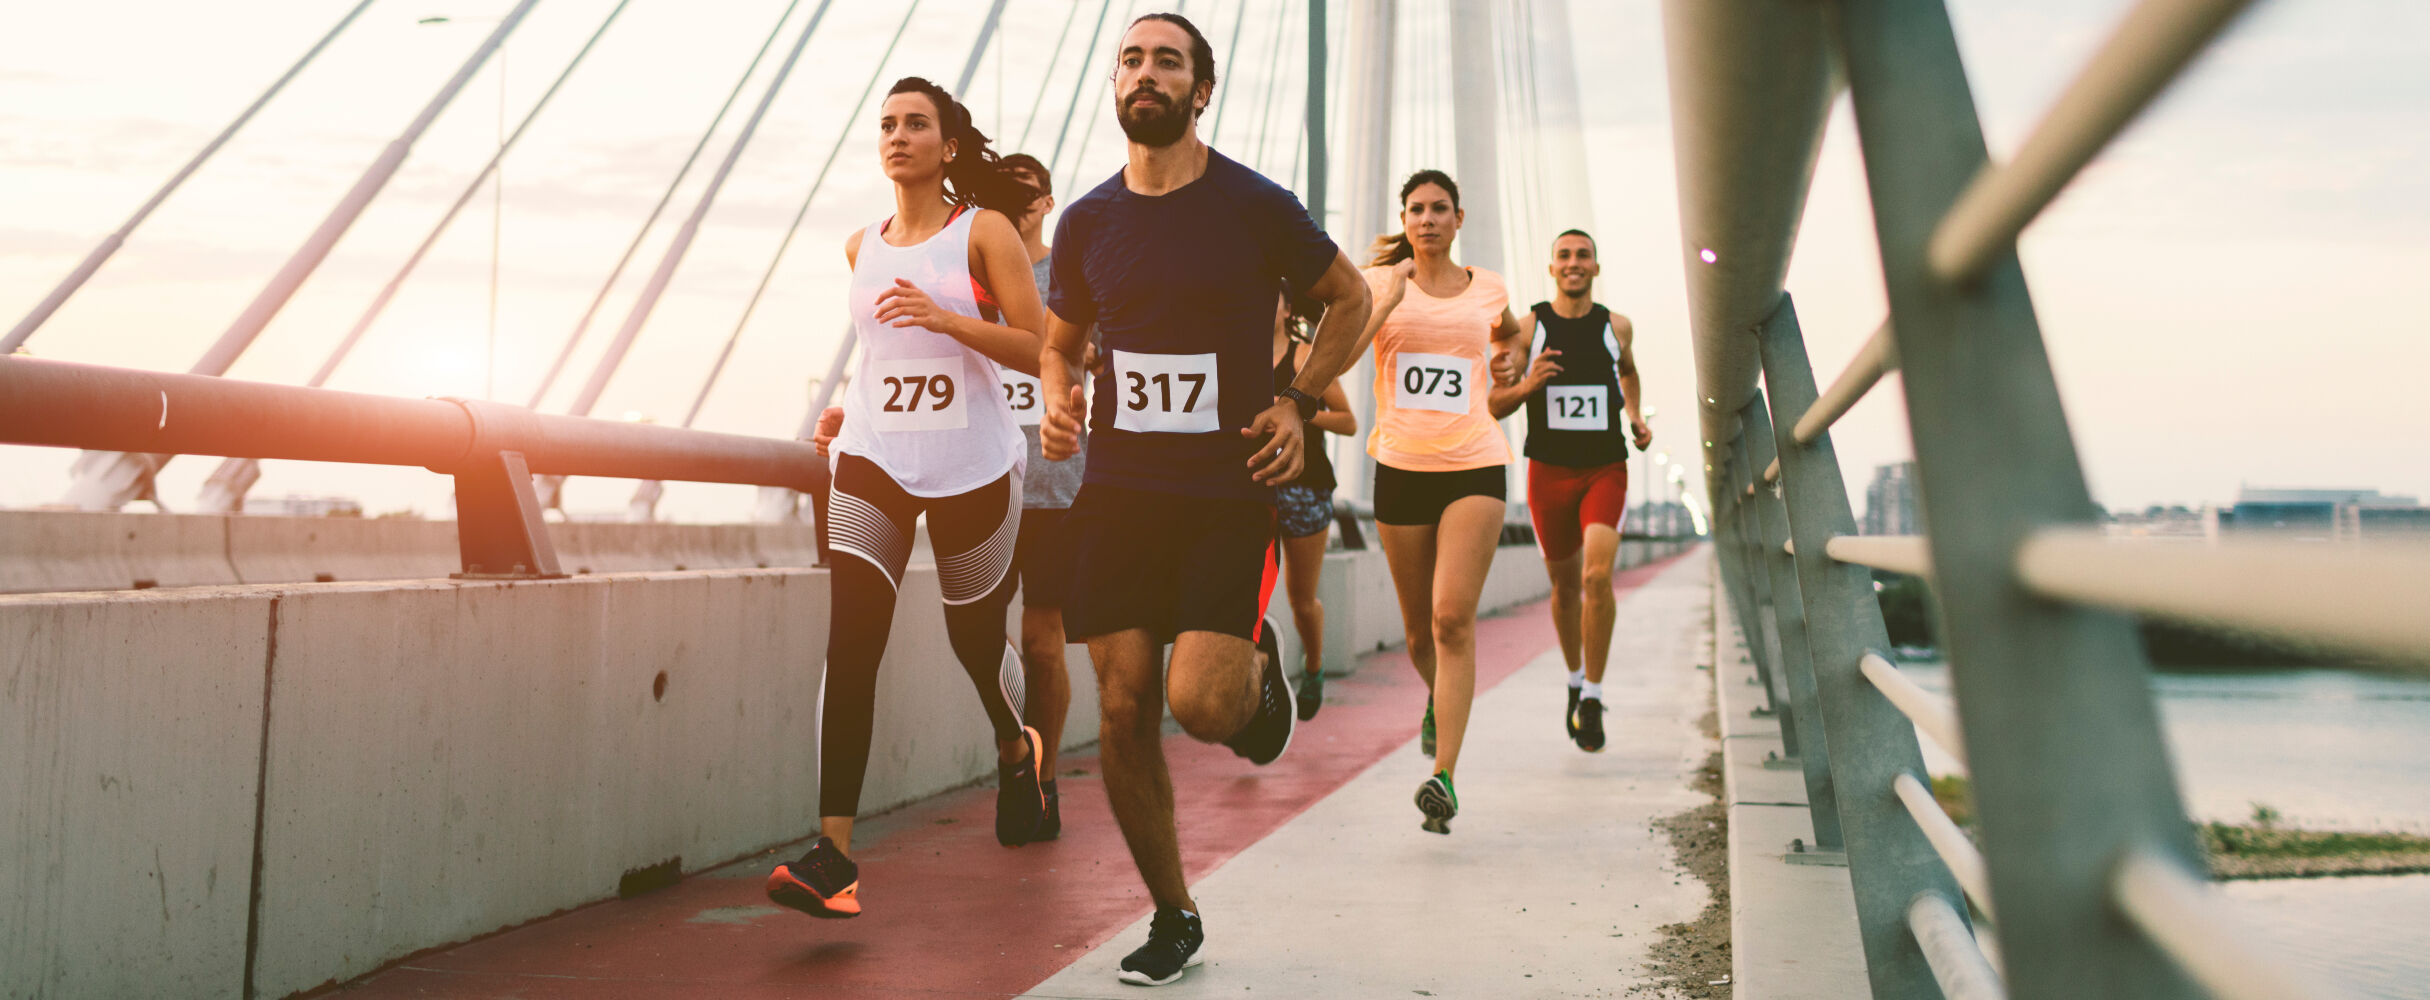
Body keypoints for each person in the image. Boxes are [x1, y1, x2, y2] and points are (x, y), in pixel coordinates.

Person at [1036, 12, 1371, 986]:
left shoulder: (1255, 206)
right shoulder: (1087, 222)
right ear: (1116, 84)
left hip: (1228, 490)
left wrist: (1300, 402)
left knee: (1201, 701)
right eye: (1131, 59)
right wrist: (1061, 402)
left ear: (1201, 89)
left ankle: (1254, 673)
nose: (1147, 75)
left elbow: (1351, 299)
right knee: (1126, 702)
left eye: (1167, 62)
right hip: (1119, 496)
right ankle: (1173, 912)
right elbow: (1060, 343)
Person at [766, 76, 1052, 922]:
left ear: (948, 146)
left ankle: (1015, 745)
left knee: (973, 637)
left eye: (916, 123)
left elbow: (1039, 349)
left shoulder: (984, 232)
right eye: (887, 124)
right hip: (875, 461)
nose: (898, 135)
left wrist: (950, 318)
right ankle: (835, 857)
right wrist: (848, 412)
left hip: (973, 466)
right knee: (852, 642)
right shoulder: (861, 245)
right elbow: (884, 355)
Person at [1356, 169, 1525, 835]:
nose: (1427, 219)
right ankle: (1438, 699)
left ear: (1459, 219)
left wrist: (1509, 359)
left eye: (1438, 209)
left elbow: (1510, 333)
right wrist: (1380, 298)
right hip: (1401, 467)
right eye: (1416, 210)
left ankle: (1444, 776)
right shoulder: (1381, 285)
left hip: (1474, 465)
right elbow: (1342, 339)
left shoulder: (1488, 288)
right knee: (1419, 632)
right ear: (1404, 221)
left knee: (1453, 619)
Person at [1488, 229, 1652, 753]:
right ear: (1551, 268)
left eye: (1583, 256)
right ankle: (1576, 678)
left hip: (1605, 468)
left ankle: (1594, 698)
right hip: (1549, 474)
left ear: (1596, 268)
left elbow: (1628, 373)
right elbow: (1496, 403)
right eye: (1565, 256)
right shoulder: (1531, 327)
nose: (1574, 264)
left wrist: (1635, 416)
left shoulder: (1617, 326)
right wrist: (1528, 386)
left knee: (1597, 575)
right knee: (1564, 589)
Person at [1270, 288, 1354, 720]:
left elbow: (1349, 421)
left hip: (1305, 487)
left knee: (1301, 599)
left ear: (1287, 308)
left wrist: (1296, 409)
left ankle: (1314, 666)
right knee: (1244, 595)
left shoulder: (1305, 358)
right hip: (1255, 486)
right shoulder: (1235, 356)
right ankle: (1255, 683)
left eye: (1272, 296)